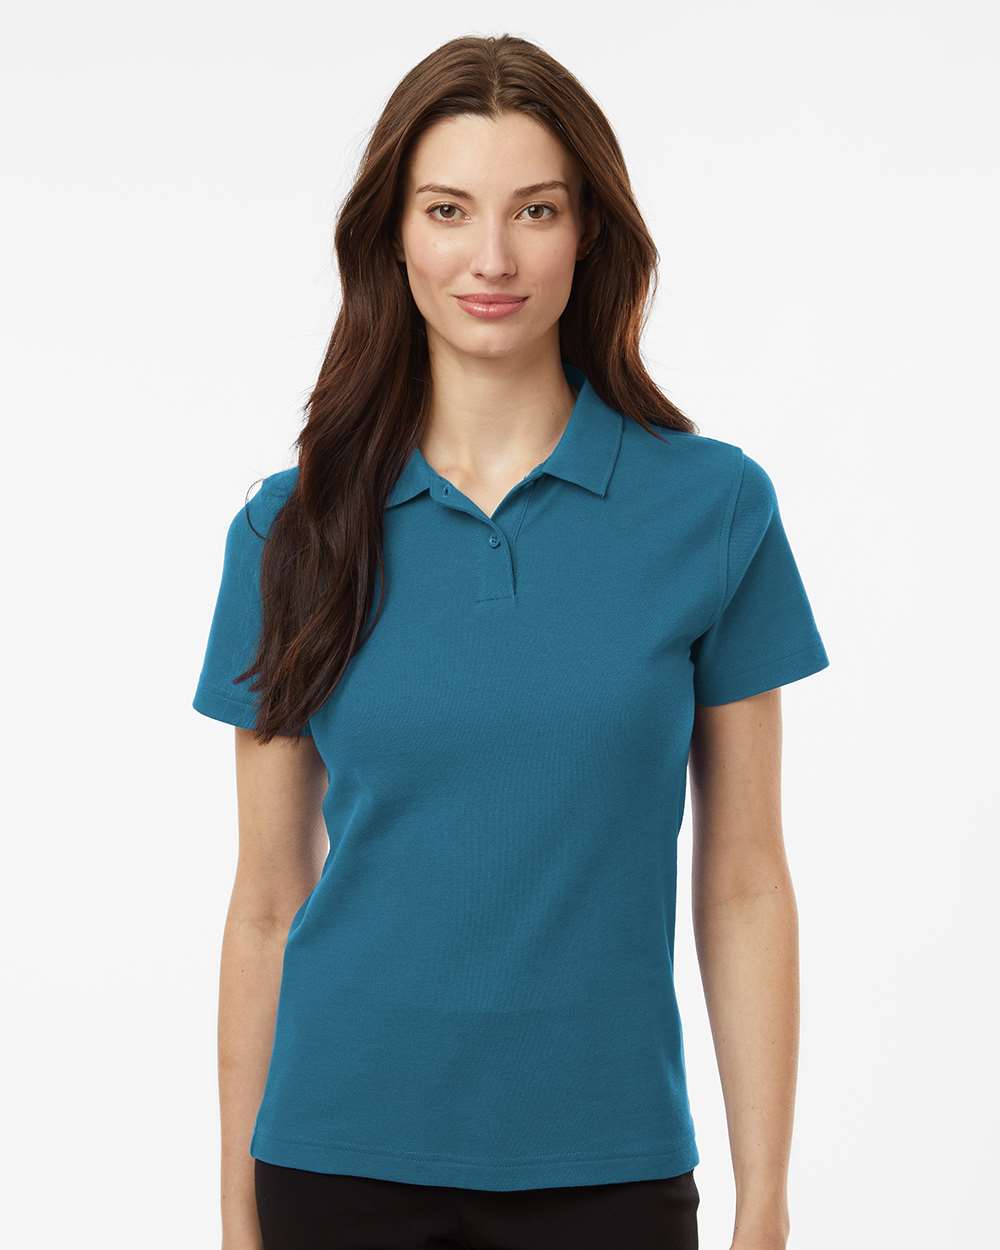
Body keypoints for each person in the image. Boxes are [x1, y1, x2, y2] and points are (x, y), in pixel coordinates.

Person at [192, 33, 830, 1250]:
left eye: (535, 209)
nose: (491, 257)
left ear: (588, 232)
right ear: (394, 235)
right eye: (448, 210)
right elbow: (266, 900)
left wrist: (765, 1202)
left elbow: (746, 878)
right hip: (333, 1163)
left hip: (611, 1168)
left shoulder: (713, 509)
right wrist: (234, 1212)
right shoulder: (290, 529)